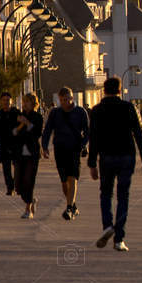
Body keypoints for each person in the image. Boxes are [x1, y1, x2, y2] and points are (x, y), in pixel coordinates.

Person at [87, 75, 142, 251]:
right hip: (126, 157)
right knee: (123, 196)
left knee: (106, 194)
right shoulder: (129, 108)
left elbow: (94, 138)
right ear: (120, 91)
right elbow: (139, 134)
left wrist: (92, 163)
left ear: (104, 91)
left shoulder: (97, 110)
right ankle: (119, 239)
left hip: (106, 157)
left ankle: (107, 226)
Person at [41, 86, 90, 220]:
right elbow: (47, 130)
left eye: (67, 99)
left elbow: (87, 131)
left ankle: (68, 208)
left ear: (72, 98)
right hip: (60, 149)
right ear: (59, 100)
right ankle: (72, 205)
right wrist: (44, 147)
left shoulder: (80, 112)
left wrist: (83, 145)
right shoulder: (55, 113)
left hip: (75, 149)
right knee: (64, 181)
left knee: (72, 177)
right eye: (62, 100)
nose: (65, 102)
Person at [11, 92, 45, 218]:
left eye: (27, 102)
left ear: (33, 104)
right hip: (19, 153)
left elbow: (37, 133)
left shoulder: (38, 117)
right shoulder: (19, 116)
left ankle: (28, 209)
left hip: (32, 153)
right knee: (18, 185)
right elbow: (14, 133)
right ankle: (31, 200)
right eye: (23, 102)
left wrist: (28, 124)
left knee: (28, 181)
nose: (24, 104)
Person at [0, 92, 20, 195]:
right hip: (4, 144)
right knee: (6, 169)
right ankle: (10, 188)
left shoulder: (17, 113)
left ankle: (16, 184)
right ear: (1, 102)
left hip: (16, 144)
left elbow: (23, 127)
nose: (6, 102)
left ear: (11, 101)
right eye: (4, 100)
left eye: (8, 100)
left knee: (18, 167)